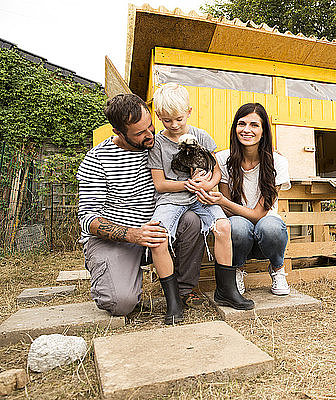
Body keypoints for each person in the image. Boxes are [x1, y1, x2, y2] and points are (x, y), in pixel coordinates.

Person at [76, 93, 205, 318]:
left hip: (157, 233)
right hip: (117, 238)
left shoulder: (160, 146)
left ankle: (183, 291)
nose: (149, 135)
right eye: (139, 133)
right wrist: (134, 235)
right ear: (118, 132)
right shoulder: (97, 159)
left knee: (191, 221)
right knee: (121, 304)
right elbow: (88, 219)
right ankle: (117, 274)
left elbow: (206, 155)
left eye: (150, 126)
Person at [148, 83, 254, 320]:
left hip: (202, 197)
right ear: (158, 116)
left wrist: (207, 184)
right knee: (156, 236)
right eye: (166, 120)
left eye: (178, 119)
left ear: (189, 111)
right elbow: (160, 184)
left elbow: (217, 172)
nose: (174, 125)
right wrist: (187, 184)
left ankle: (226, 290)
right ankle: (173, 300)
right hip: (170, 199)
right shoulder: (157, 144)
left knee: (224, 226)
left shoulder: (201, 136)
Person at [195, 103, 291, 296]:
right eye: (242, 123)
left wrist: (222, 200)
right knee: (236, 225)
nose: (247, 130)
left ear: (263, 131)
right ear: (235, 128)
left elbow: (258, 214)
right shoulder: (223, 159)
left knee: (270, 226)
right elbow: (227, 212)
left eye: (254, 125)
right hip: (239, 233)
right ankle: (236, 270)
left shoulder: (277, 162)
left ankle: (278, 268)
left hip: (266, 230)